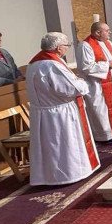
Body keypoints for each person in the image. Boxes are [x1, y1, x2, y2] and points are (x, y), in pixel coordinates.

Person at [26, 32, 99, 186]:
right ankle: (67, 174)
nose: (67, 48)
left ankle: (48, 176)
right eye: (67, 45)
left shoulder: (34, 63)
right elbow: (71, 89)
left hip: (44, 112)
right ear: (59, 48)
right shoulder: (52, 65)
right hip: (59, 114)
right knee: (63, 145)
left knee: (49, 146)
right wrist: (82, 82)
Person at [75, 22, 112, 142]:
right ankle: (105, 135)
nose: (110, 32)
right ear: (97, 33)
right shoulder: (85, 46)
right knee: (101, 109)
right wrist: (107, 65)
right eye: (107, 30)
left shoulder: (108, 42)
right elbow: (86, 67)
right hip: (97, 85)